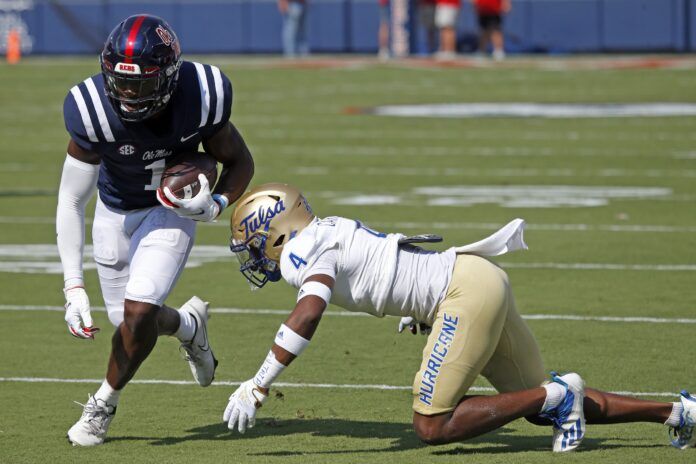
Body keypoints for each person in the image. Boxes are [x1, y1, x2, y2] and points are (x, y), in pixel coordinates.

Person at [221, 183, 696, 452]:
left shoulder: (300, 252)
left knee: (432, 425)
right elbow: (386, 263)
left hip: (461, 292)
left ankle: (559, 391)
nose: (253, 255)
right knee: (535, 406)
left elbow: (308, 313)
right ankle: (678, 413)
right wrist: (415, 305)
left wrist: (260, 382)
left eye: (252, 241)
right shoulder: (324, 229)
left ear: (275, 232)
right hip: (474, 276)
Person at [58, 14, 254, 446]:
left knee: (139, 313)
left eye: (141, 84)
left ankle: (102, 407)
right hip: (114, 213)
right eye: (121, 81)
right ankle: (188, 326)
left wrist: (216, 203)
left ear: (168, 76)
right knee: (126, 322)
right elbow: (72, 200)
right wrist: (73, 287)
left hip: (169, 213)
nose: (128, 94)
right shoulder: (91, 108)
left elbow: (240, 161)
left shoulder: (201, 94)